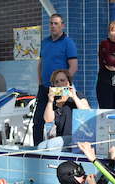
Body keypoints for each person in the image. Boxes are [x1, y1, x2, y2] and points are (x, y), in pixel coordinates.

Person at [33, 13, 78, 146]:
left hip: (60, 89)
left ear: (62, 26)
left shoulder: (68, 42)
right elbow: (41, 64)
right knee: (38, 121)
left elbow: (74, 67)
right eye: (51, 23)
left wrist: (62, 86)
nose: (53, 26)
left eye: (56, 23)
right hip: (45, 88)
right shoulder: (44, 42)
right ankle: (37, 150)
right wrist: (40, 82)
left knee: (62, 121)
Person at [37, 69, 90, 152]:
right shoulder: (55, 101)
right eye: (56, 82)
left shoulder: (77, 95)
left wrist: (74, 97)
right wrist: (50, 101)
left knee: (51, 144)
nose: (60, 84)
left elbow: (88, 112)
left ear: (68, 82)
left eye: (62, 80)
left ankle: (56, 164)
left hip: (77, 136)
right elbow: (48, 119)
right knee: (40, 146)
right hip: (62, 138)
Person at [96, 20, 115, 109]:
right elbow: (109, 60)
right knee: (106, 115)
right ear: (109, 32)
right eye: (113, 31)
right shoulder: (104, 44)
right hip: (105, 85)